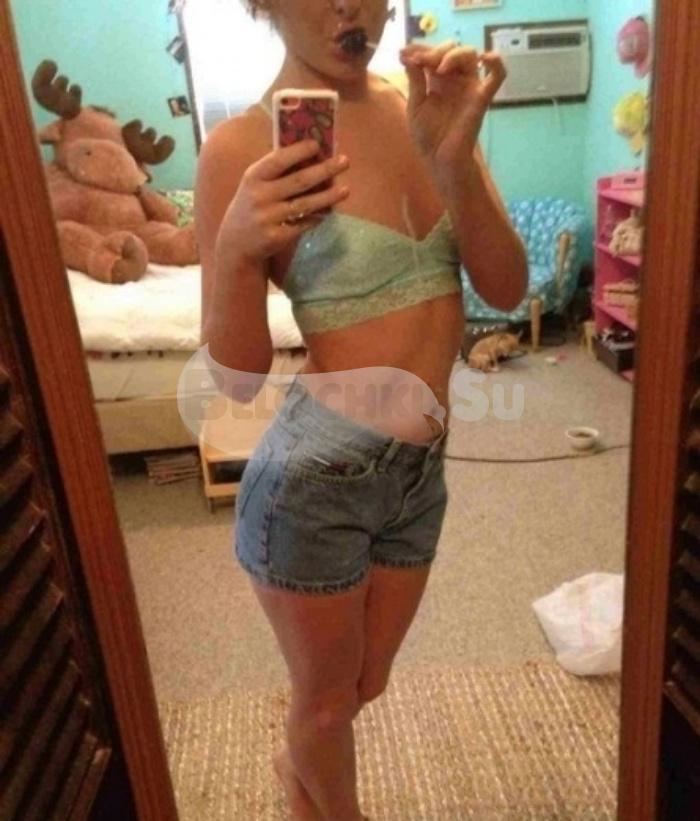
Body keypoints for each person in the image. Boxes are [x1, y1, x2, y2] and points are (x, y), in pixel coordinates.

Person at [194, 1, 527, 819]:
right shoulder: (239, 147)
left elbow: (507, 288)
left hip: (419, 474)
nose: (350, 6)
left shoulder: (428, 108)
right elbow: (235, 381)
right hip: (315, 480)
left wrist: (454, 159)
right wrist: (236, 248)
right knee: (326, 703)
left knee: (363, 684)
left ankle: (297, 774)